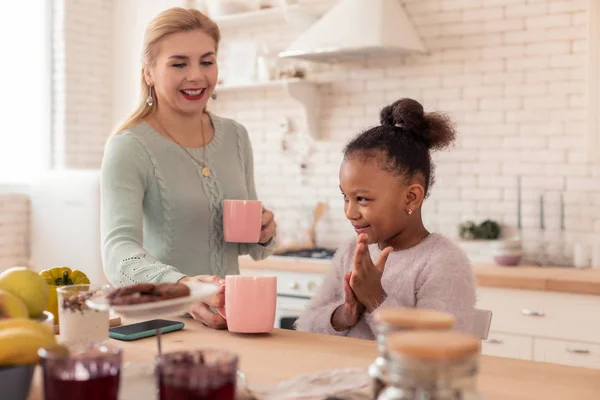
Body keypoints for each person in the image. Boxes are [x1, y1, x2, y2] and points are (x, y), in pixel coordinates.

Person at [100, 7, 276, 329]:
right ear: (149, 73)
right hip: (160, 325)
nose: (196, 76)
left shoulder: (236, 136)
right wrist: (185, 289)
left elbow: (248, 245)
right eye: (179, 63)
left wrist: (263, 232)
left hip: (228, 322)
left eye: (206, 62)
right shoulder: (129, 147)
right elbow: (117, 252)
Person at [295, 98, 476, 339]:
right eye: (345, 197)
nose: (349, 212)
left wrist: (375, 298)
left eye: (362, 199)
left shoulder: (443, 263)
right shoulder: (351, 251)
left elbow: (437, 351)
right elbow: (305, 325)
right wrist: (343, 314)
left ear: (411, 197)